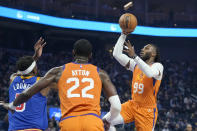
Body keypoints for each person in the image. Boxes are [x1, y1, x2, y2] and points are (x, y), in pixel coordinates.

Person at [1, 39, 121, 131]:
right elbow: (116, 106)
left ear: (73, 53)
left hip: (68, 122)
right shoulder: (101, 73)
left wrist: (12, 105)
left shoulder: (57, 72)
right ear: (90, 55)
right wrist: (108, 119)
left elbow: (26, 89)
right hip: (91, 120)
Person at [103, 32, 164, 131]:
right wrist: (123, 34)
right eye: (143, 48)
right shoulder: (135, 65)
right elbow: (116, 54)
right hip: (132, 105)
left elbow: (149, 73)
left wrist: (134, 56)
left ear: (154, 54)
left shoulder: (158, 66)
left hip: (147, 111)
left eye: (147, 48)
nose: (143, 49)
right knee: (105, 122)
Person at [0, 37, 50, 131]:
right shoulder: (42, 82)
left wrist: (35, 58)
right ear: (34, 69)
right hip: (33, 129)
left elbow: (22, 70)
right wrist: (36, 57)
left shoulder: (13, 79)